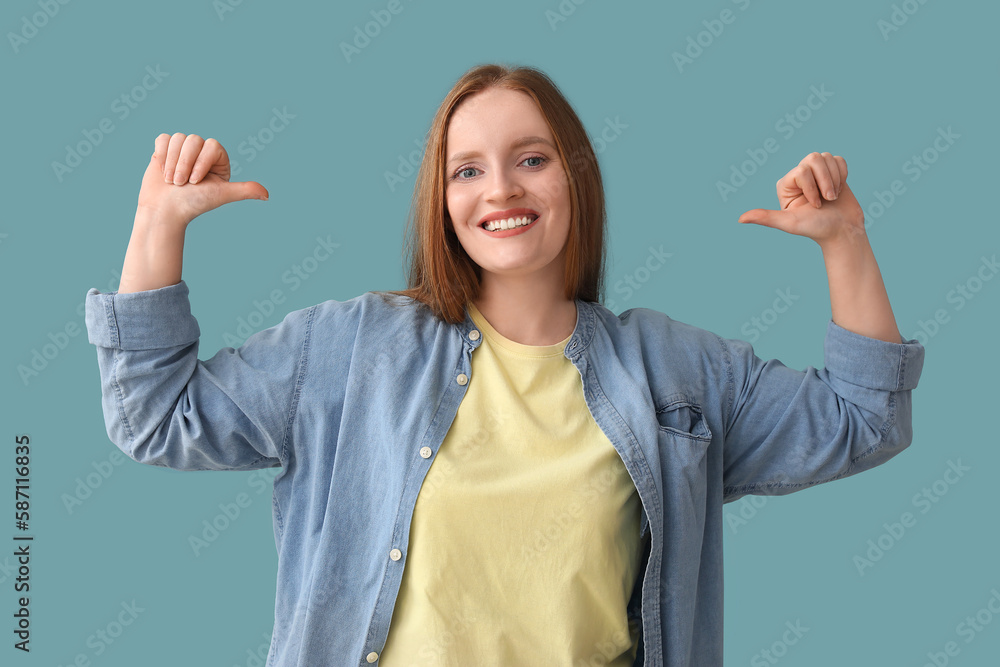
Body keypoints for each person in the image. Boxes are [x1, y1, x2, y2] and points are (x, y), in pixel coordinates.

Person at [84, 63, 925, 667]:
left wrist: (845, 243)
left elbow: (864, 417)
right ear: (443, 202)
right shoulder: (350, 350)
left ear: (575, 176)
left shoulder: (678, 371)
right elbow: (155, 415)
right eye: (468, 170)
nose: (501, 191)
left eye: (531, 158)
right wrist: (158, 225)